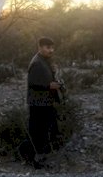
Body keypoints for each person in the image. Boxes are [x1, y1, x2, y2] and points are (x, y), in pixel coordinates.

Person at [26, 37, 64, 168]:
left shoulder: (45, 60)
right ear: (40, 47)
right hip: (38, 103)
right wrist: (49, 86)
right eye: (48, 48)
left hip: (45, 102)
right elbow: (32, 83)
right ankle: (35, 160)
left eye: (52, 48)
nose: (51, 50)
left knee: (46, 130)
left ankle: (42, 156)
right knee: (38, 131)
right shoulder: (37, 62)